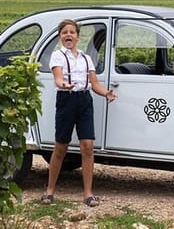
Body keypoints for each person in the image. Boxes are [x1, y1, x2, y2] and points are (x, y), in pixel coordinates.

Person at [41, 19, 117, 207]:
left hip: (84, 100)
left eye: (72, 32)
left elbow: (95, 84)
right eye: (64, 32)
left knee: (88, 146)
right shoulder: (58, 56)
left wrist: (106, 92)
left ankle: (88, 194)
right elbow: (58, 78)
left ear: (77, 36)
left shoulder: (85, 58)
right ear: (60, 37)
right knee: (61, 147)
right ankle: (49, 191)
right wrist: (64, 85)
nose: (68, 35)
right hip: (66, 100)